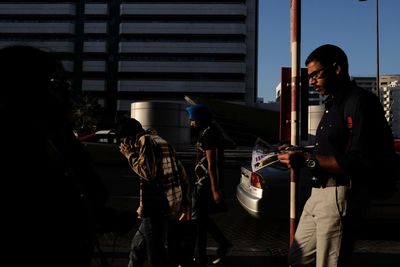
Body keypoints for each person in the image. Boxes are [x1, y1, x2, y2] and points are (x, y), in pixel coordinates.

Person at [0, 45, 134, 267]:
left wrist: (104, 218)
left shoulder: (51, 135)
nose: (64, 93)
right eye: (54, 83)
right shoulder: (25, 140)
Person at [277, 44, 396, 267]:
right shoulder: (333, 104)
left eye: (316, 74)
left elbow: (361, 161)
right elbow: (332, 150)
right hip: (317, 193)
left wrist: (307, 160)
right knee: (296, 260)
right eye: (309, 76)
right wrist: (301, 152)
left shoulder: (361, 102)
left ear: (337, 69)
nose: (312, 81)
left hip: (339, 194)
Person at [118, 118, 189, 267]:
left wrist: (129, 154)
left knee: (156, 256)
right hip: (169, 205)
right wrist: (184, 200)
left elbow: (148, 172)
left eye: (124, 140)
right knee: (137, 249)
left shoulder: (145, 141)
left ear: (129, 137)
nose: (125, 144)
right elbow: (182, 172)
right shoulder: (161, 140)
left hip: (156, 208)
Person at [186, 104, 233, 266]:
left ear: (200, 119)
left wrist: (215, 189)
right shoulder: (208, 132)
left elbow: (212, 164)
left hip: (204, 183)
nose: (191, 122)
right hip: (201, 181)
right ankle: (222, 242)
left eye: (192, 119)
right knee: (201, 219)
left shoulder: (209, 135)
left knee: (197, 221)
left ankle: (199, 259)